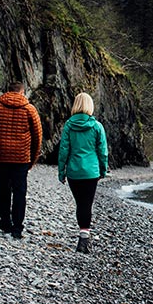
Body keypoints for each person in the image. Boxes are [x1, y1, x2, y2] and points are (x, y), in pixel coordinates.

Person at [0, 81, 43, 239]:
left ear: (8, 91)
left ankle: (5, 222)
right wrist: (32, 159)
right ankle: (17, 229)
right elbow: (37, 137)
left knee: (4, 188)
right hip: (21, 158)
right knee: (20, 192)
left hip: (0, 157)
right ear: (22, 92)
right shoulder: (29, 109)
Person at [58, 92, 108, 254]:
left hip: (74, 171)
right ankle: (84, 238)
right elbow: (103, 151)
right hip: (91, 171)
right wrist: (103, 169)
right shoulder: (97, 126)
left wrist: (61, 171)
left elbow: (64, 150)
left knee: (80, 203)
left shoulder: (68, 126)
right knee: (87, 203)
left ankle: (83, 236)